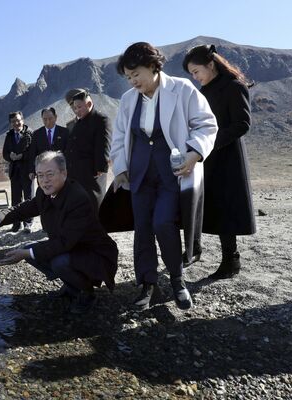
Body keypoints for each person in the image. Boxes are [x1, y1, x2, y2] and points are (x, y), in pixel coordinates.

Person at [110, 42, 218, 310]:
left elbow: (206, 123)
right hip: (139, 175)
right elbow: (120, 136)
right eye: (128, 77)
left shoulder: (182, 89)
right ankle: (147, 284)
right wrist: (121, 169)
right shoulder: (127, 100)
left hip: (172, 173)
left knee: (163, 223)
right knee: (142, 229)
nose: (133, 81)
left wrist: (195, 153)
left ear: (153, 66)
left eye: (137, 74)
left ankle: (177, 280)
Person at [0, 151, 118, 314]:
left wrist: (27, 253)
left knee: (54, 261)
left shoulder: (77, 199)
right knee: (32, 250)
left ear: (64, 173)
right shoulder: (44, 192)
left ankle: (86, 293)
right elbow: (23, 209)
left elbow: (64, 243)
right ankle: (72, 285)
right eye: (40, 175)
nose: (44, 180)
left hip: (95, 254)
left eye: (50, 174)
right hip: (72, 247)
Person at [183, 44, 256, 279]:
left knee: (226, 210)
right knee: (202, 205)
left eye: (196, 71)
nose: (195, 77)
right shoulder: (204, 92)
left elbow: (242, 124)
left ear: (211, 65)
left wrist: (211, 141)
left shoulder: (234, 86)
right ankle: (194, 251)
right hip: (206, 158)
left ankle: (230, 262)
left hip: (227, 158)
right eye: (192, 74)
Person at [64, 89, 112, 213]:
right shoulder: (78, 122)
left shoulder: (100, 119)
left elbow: (104, 144)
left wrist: (100, 168)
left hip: (92, 173)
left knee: (93, 205)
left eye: (79, 107)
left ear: (89, 104)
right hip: (75, 173)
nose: (76, 111)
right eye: (74, 108)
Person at [2, 111, 34, 233]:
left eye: (18, 120)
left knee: (28, 198)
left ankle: (28, 224)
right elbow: (4, 153)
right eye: (13, 121)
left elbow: (32, 154)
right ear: (10, 123)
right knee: (15, 199)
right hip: (15, 172)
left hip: (27, 171)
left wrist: (22, 156)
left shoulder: (30, 133)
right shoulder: (9, 135)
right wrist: (10, 156)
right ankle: (16, 224)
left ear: (23, 120)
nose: (16, 123)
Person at [28, 107, 69, 180]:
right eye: (45, 119)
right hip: (44, 173)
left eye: (50, 118)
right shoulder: (37, 134)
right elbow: (32, 154)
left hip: (60, 171)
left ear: (55, 117)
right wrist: (32, 171)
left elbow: (68, 151)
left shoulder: (65, 132)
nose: (48, 122)